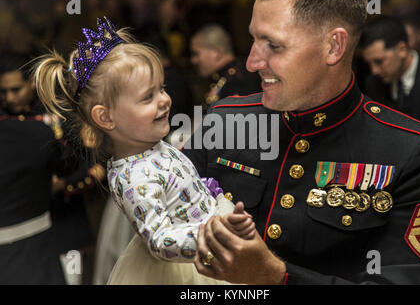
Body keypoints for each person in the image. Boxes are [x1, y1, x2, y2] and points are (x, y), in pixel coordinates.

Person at [183, 0, 420, 284]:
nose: (252, 62)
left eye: (274, 45)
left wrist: (274, 276)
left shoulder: (412, 153)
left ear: (334, 47)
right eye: (254, 39)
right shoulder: (225, 121)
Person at [34, 17, 256, 285]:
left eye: (161, 89)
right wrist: (211, 239)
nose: (165, 99)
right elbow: (161, 241)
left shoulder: (154, 146)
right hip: (191, 270)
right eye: (147, 97)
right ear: (106, 118)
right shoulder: (134, 177)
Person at [0, 52, 93, 284]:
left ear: (31, 83)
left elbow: (86, 164)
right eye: (3, 92)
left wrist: (62, 184)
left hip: (64, 219)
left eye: (16, 89)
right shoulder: (6, 125)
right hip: (21, 227)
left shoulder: (58, 115)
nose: (9, 98)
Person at [360, 16, 420, 140]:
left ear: (402, 49)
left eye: (379, 61)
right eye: (369, 64)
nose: (374, 71)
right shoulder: (373, 84)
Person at [190, 24, 261, 105]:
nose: (193, 60)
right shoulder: (223, 78)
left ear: (216, 53)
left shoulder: (237, 81)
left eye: (196, 54)